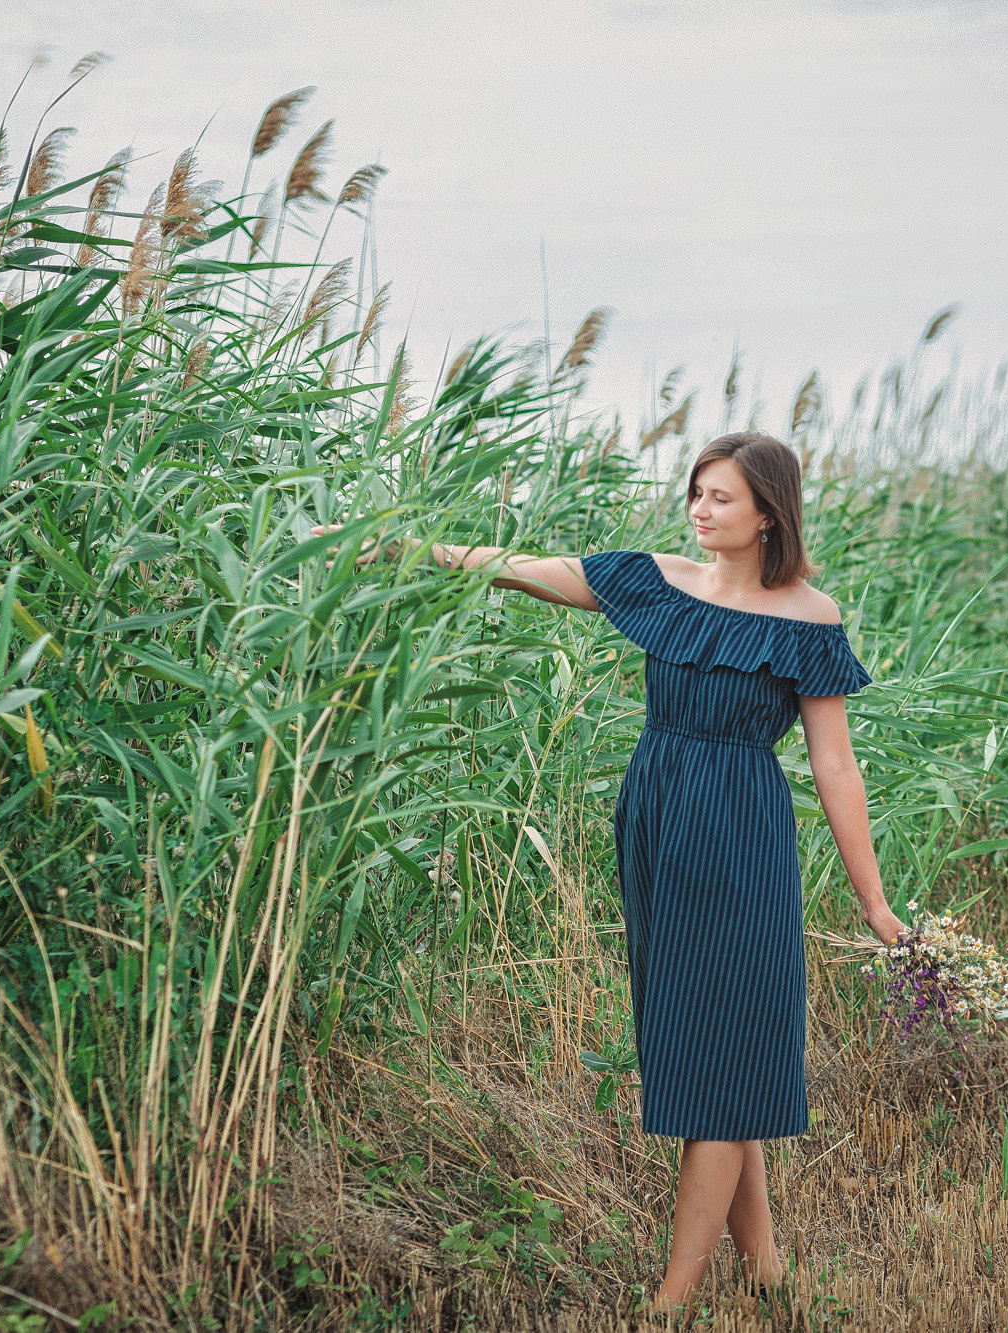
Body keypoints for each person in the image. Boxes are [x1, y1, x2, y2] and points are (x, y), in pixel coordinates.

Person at [316, 430, 903, 1311]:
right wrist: (410, 551)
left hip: (740, 835)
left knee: (722, 1048)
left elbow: (835, 766)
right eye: (696, 492)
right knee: (709, 1047)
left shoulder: (811, 618)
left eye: (721, 498)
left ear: (769, 514)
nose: (700, 509)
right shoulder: (660, 580)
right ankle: (769, 1271)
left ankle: (671, 1298)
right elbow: (522, 567)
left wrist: (875, 902)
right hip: (659, 822)